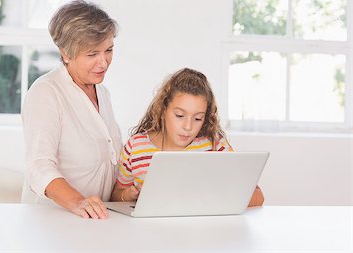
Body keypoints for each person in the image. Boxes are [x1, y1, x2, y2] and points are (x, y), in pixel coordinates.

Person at [22, 0, 122, 219]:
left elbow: (110, 162)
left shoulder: (103, 93)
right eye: (92, 54)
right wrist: (78, 202)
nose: (103, 62)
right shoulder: (46, 92)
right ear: (66, 53)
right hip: (54, 221)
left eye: (108, 50)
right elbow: (38, 166)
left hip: (95, 222)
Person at [111, 68, 264, 206]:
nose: (188, 127)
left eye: (198, 118)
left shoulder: (215, 145)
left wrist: (212, 194)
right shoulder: (136, 147)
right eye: (179, 115)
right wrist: (127, 195)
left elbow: (258, 197)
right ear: (163, 110)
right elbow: (115, 196)